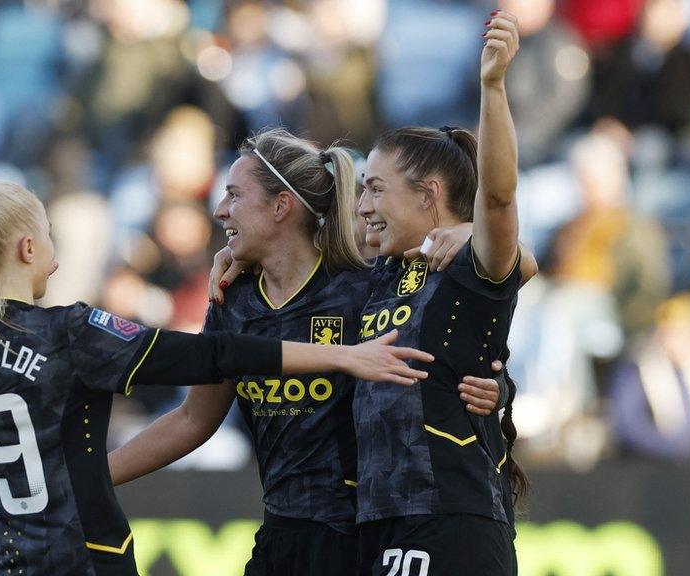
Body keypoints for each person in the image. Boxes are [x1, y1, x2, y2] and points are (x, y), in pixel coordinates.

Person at [0, 179, 435, 576]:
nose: (57, 256)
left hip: (5, 561)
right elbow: (211, 356)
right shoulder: (67, 331)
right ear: (26, 248)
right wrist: (340, 357)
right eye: (48, 235)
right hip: (86, 558)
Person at [106, 129, 510, 576]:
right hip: (280, 533)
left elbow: (471, 317)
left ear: (281, 206)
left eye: (235, 196)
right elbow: (192, 420)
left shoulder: (363, 288)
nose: (220, 211)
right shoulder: (232, 302)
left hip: (358, 537)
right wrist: (93, 478)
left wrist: (501, 387)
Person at [353, 11, 526, 575]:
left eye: (376, 189)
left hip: (456, 523)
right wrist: (232, 254)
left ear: (429, 194)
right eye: (360, 190)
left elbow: (498, 201)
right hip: (379, 525)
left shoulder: (470, 272)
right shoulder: (372, 275)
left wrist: (493, 86)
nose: (363, 206)